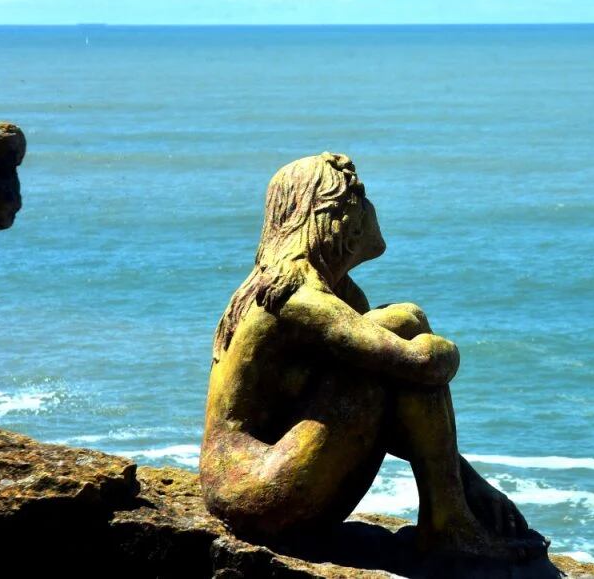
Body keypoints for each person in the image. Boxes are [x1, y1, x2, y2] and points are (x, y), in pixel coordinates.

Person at [200, 152, 546, 561]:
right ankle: (446, 521)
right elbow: (422, 365)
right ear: (334, 214)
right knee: (401, 321)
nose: (372, 208)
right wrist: (441, 348)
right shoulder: (297, 298)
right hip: (257, 492)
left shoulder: (342, 295)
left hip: (279, 484)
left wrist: (469, 481)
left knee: (390, 336)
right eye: (361, 198)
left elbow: (396, 411)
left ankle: (448, 514)